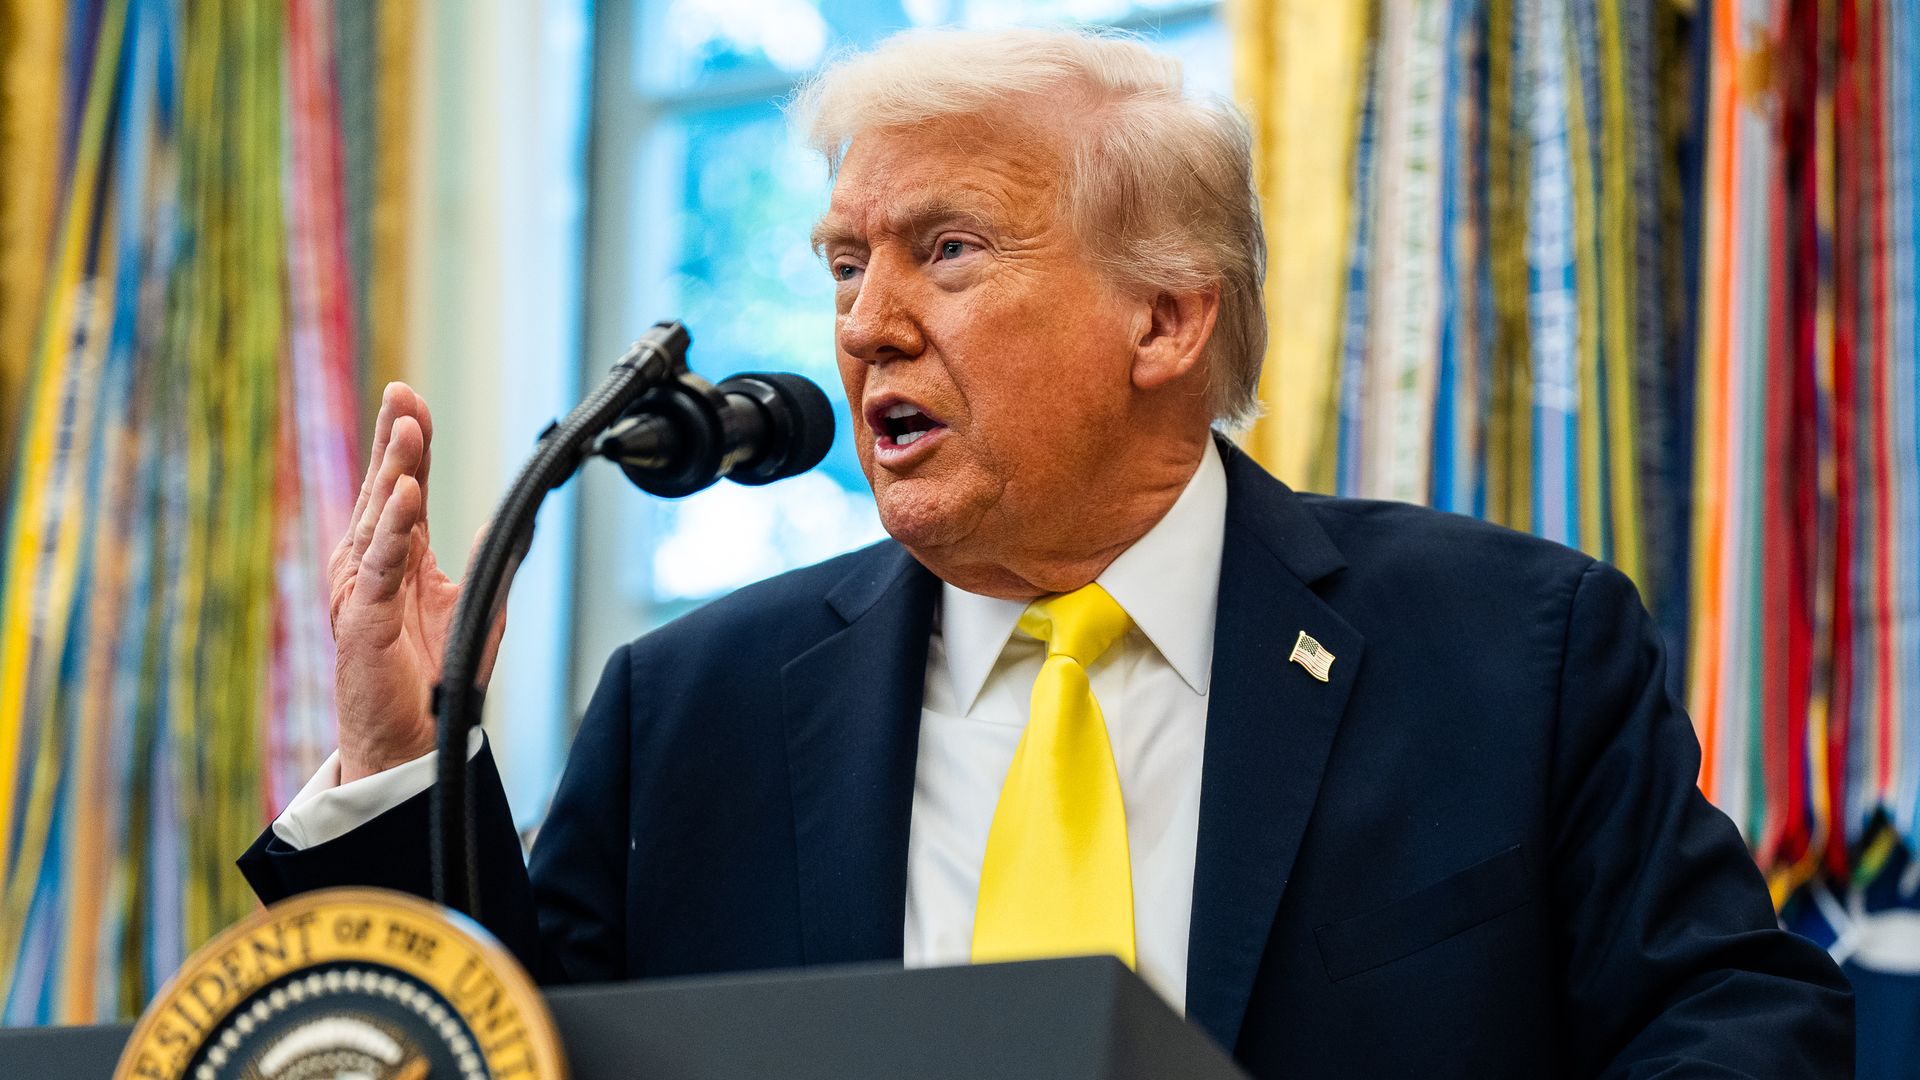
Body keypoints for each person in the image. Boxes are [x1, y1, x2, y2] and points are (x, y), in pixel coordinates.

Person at [240, 26, 1852, 1077]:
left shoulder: (1511, 645)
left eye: (947, 252)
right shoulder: (696, 708)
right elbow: (492, 1052)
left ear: (1166, 315)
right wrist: (396, 760)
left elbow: (1742, 1028)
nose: (867, 324)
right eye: (846, 261)